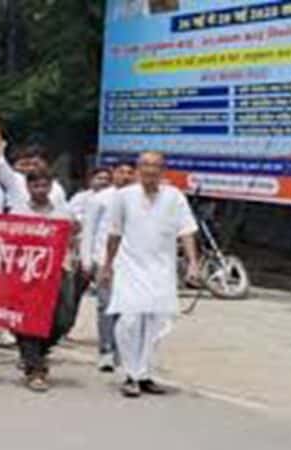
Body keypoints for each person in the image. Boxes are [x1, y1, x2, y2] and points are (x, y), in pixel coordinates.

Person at [100, 151, 199, 398]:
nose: (150, 170)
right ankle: (130, 375)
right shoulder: (123, 197)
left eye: (155, 166)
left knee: (157, 324)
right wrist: (107, 265)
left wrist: (193, 264)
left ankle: (144, 374)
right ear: (137, 169)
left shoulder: (174, 197)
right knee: (130, 320)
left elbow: (186, 231)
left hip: (162, 269)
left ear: (163, 170)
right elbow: (114, 233)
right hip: (130, 267)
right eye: (145, 165)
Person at [9, 169, 78, 392]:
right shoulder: (18, 211)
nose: (40, 190)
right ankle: (34, 368)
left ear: (51, 186)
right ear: (28, 188)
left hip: (59, 270)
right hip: (27, 273)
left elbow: (74, 234)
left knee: (63, 319)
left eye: (44, 186)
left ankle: (38, 352)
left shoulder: (63, 211)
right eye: (35, 186)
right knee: (27, 320)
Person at [80, 162, 136, 372]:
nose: (126, 176)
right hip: (104, 261)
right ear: (113, 174)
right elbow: (89, 230)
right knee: (107, 306)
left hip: (131, 262)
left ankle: (124, 350)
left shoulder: (140, 200)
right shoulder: (100, 199)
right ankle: (106, 350)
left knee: (128, 308)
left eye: (130, 172)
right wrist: (87, 260)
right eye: (122, 172)